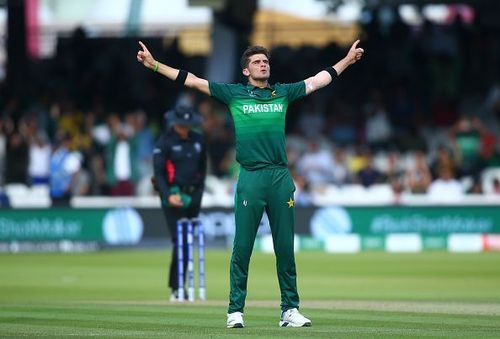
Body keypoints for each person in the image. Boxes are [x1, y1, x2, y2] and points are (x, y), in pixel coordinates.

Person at [137, 39, 364, 328]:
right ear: (246, 71)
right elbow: (192, 81)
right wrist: (155, 65)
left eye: (265, 61)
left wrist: (346, 60)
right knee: (242, 247)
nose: (263, 64)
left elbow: (318, 81)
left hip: (280, 177)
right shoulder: (234, 94)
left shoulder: (282, 92)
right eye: (257, 62)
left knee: (285, 248)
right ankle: (235, 311)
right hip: (251, 178)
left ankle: (289, 310)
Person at [152, 106, 207, 302]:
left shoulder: (199, 139)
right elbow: (158, 173)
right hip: (173, 196)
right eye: (182, 125)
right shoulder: (164, 142)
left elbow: (202, 169)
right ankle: (176, 287)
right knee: (180, 240)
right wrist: (168, 195)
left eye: (188, 125)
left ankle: (178, 286)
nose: (185, 129)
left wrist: (199, 192)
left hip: (193, 197)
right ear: (175, 123)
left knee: (188, 241)